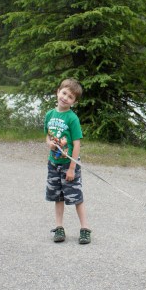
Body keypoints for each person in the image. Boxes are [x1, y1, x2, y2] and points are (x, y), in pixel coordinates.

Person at [44, 78, 90, 244]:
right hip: (53, 164)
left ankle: (85, 229)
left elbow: (76, 144)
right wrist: (49, 144)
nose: (65, 98)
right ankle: (59, 227)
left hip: (69, 165)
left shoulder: (72, 118)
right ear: (58, 92)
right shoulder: (49, 115)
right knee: (58, 197)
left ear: (74, 102)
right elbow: (47, 136)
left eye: (70, 97)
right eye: (64, 93)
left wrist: (72, 168)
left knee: (76, 197)